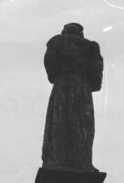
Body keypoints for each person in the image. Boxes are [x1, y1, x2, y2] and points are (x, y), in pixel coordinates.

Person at [41, 22, 104, 171]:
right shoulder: (90, 48)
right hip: (82, 88)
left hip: (61, 87)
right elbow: (96, 79)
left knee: (60, 123)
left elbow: (51, 71)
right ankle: (82, 161)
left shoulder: (55, 44)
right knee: (83, 126)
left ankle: (58, 159)